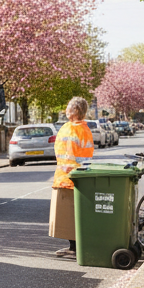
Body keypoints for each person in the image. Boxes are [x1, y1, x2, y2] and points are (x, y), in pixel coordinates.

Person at [51, 97, 94, 258]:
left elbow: (81, 156)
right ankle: (73, 247)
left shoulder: (79, 130)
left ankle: (77, 247)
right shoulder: (69, 127)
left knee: (72, 214)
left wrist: (75, 172)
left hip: (73, 177)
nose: (66, 110)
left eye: (69, 108)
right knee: (68, 215)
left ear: (76, 111)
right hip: (65, 176)